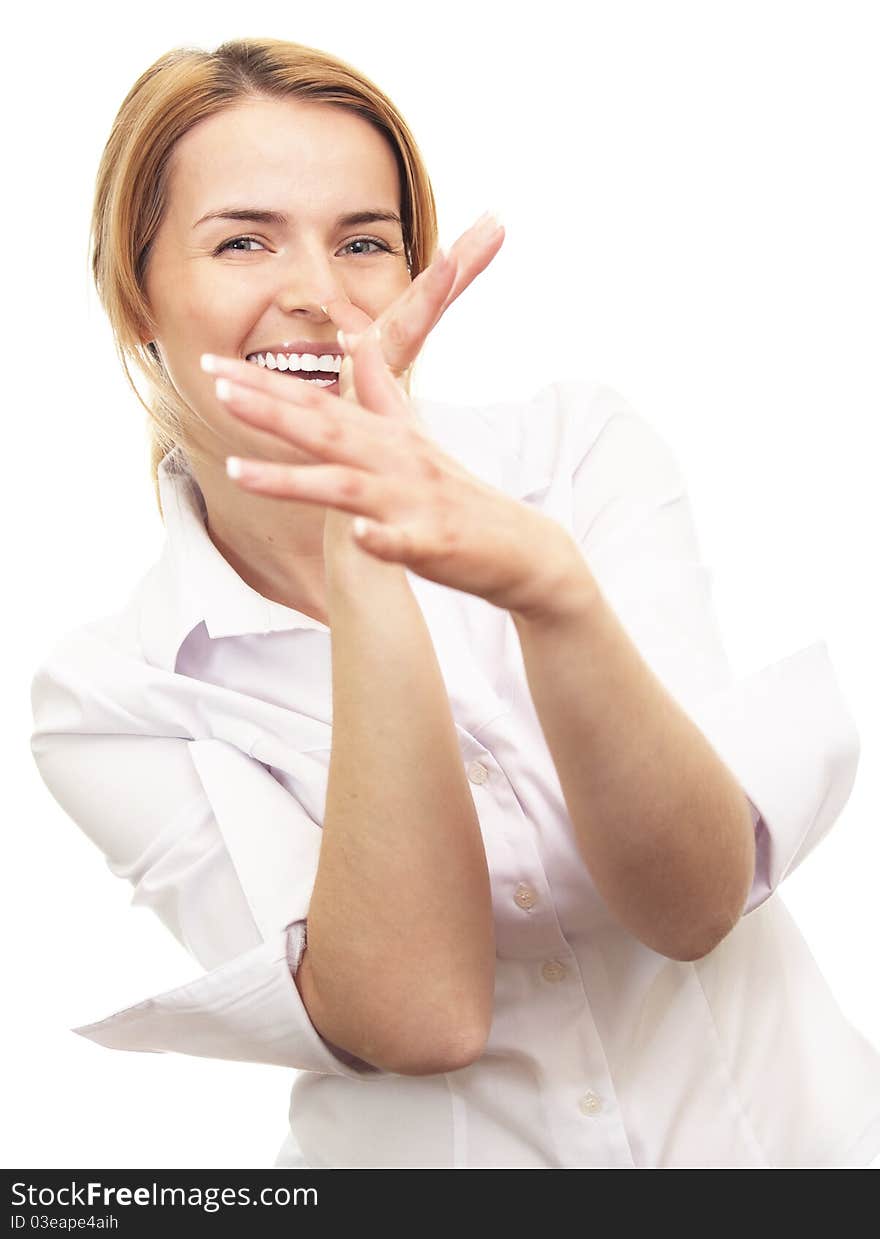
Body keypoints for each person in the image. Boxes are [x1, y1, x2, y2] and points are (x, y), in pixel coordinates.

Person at [29, 36, 880, 1170]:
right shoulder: (108, 692)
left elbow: (693, 902)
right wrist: (363, 542)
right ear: (136, 294)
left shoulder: (574, 456)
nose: (318, 297)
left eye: (364, 243)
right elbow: (420, 1019)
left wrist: (550, 591)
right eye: (242, 239)